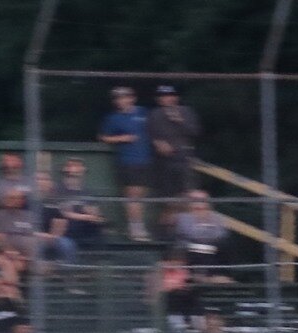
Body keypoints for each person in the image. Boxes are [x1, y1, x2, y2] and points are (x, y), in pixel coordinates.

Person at [97, 86, 152, 241]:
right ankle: (136, 229)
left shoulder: (143, 113)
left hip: (145, 160)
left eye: (124, 97)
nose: (121, 101)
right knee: (133, 195)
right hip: (127, 160)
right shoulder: (113, 118)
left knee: (141, 196)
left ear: (132, 98)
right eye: (118, 98)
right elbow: (103, 137)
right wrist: (122, 138)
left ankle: (139, 226)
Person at [145, 84, 202, 212]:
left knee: (188, 193)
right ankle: (169, 229)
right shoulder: (154, 114)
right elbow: (149, 135)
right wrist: (158, 143)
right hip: (164, 161)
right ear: (158, 99)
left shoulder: (186, 111)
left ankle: (186, 225)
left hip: (185, 158)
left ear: (176, 97)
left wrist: (179, 120)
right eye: (163, 96)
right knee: (168, 198)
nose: (167, 98)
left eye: (170, 95)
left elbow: (195, 132)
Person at [170, 189, 227, 271]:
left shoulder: (217, 217)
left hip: (213, 248)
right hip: (189, 248)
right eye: (195, 200)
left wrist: (200, 230)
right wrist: (208, 232)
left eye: (202, 200)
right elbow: (189, 233)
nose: (199, 203)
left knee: (223, 248)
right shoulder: (183, 217)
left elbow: (221, 234)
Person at [54, 159, 106, 247]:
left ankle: (100, 258)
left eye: (78, 166)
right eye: (71, 165)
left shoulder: (88, 192)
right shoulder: (58, 190)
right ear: (65, 169)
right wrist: (87, 216)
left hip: (84, 229)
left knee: (99, 227)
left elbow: (96, 214)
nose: (74, 168)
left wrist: (94, 215)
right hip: (66, 229)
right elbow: (63, 213)